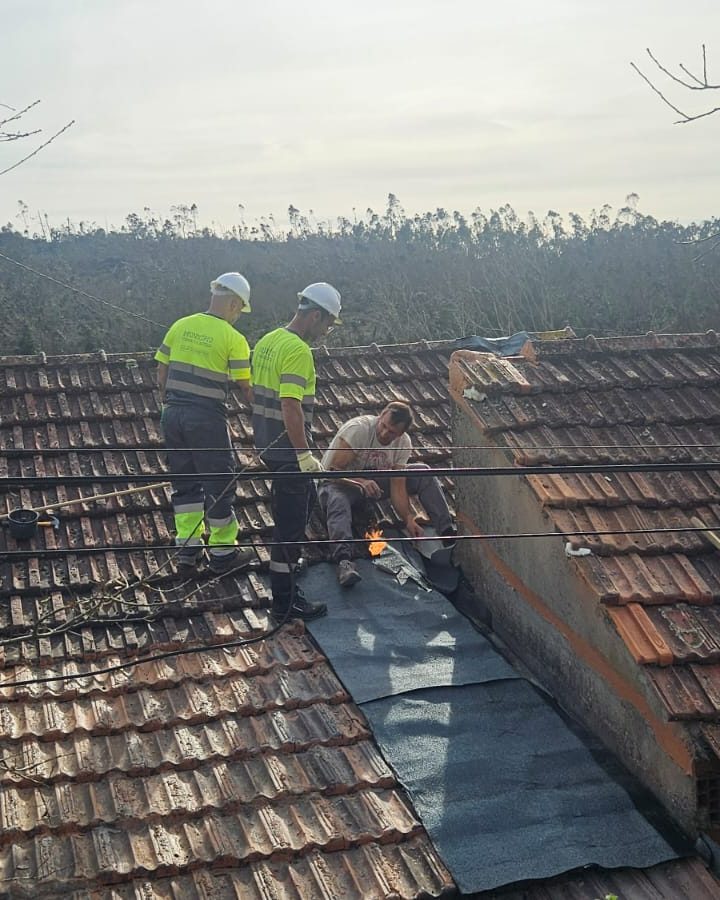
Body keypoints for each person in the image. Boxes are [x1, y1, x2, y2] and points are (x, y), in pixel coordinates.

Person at [252, 282, 342, 621]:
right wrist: (303, 454)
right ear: (315, 315)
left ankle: (286, 574)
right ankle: (285, 601)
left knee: (295, 515)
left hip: (269, 444)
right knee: (290, 527)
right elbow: (291, 405)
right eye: (327, 324)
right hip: (288, 450)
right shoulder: (297, 350)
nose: (326, 331)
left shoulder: (268, 340)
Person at [155, 272, 252, 575]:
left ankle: (187, 550)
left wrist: (169, 407)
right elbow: (245, 387)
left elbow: (162, 372)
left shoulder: (180, 325)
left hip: (172, 414)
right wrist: (264, 414)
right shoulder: (233, 338)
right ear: (235, 304)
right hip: (205, 417)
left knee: (185, 483)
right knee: (220, 482)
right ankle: (223, 552)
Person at [317, 401, 456, 587]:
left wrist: (408, 519)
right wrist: (361, 482)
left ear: (401, 433)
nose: (384, 434)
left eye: (392, 432)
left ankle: (447, 534)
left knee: (423, 471)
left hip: (374, 484)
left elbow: (397, 485)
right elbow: (333, 471)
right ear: (381, 415)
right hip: (338, 483)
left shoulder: (403, 443)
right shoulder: (359, 430)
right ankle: (344, 561)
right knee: (337, 500)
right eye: (383, 426)